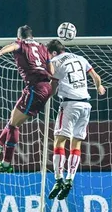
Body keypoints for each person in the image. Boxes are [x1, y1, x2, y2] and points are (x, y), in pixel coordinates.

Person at [0, 25, 53, 173]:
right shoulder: (42, 47)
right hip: (44, 86)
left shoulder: (21, 44)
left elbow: (13, 46)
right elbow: (51, 71)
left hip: (35, 88)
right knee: (13, 118)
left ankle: (6, 163)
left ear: (19, 36)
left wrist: (0, 52)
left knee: (14, 125)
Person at [45, 39, 106, 200]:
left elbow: (53, 86)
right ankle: (70, 179)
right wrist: (99, 87)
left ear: (53, 52)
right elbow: (95, 76)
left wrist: (44, 97)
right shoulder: (80, 58)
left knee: (59, 142)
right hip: (85, 106)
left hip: (69, 104)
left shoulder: (55, 61)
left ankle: (58, 179)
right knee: (76, 144)